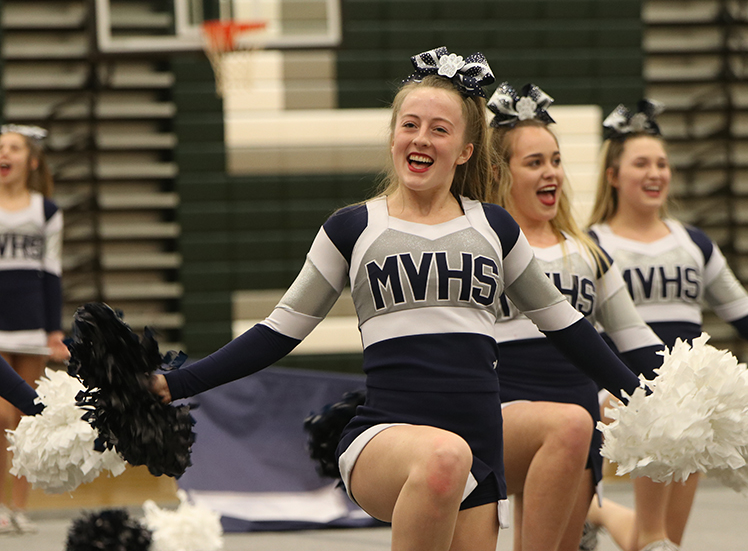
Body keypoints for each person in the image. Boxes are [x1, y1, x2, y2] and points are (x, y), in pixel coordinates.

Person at [151, 48, 642, 551]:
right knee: (443, 457)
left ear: (467, 149)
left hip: (480, 452)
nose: (421, 138)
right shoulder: (353, 227)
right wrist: (176, 382)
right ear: (393, 137)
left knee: (456, 457)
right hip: (384, 440)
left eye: (439, 129)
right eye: (410, 124)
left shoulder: (494, 229)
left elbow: (568, 327)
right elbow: (279, 330)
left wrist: (642, 397)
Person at [583, 101, 748, 551]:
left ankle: (598, 512)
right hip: (625, 395)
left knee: (665, 540)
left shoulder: (694, 244)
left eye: (662, 163)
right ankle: (597, 509)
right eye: (641, 164)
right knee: (656, 538)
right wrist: (602, 390)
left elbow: (745, 313)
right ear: (613, 175)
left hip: (691, 404)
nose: (655, 173)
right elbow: (579, 332)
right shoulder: (592, 244)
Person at [487, 84, 664, 551]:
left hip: (578, 423)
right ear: (499, 172)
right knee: (567, 425)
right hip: (500, 415)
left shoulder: (587, 252)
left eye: (556, 160)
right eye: (534, 162)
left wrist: (688, 387)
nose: (552, 174)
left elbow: (637, 338)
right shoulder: (481, 245)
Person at [0, 124, 68, 535]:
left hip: (31, 324)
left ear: (32, 160)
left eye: (13, 147)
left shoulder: (46, 211)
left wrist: (53, 331)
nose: (3, 153)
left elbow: (52, 273)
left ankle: (19, 507)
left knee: (27, 417)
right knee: (0, 415)